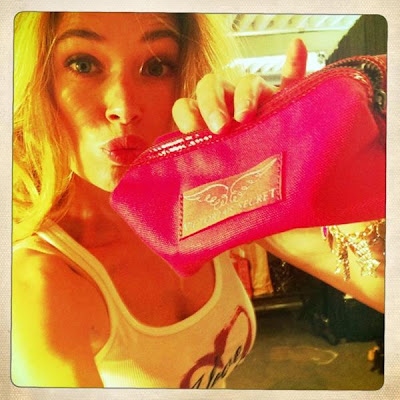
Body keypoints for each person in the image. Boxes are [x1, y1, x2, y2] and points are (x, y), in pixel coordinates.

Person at [12, 12, 385, 388]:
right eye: (82, 64)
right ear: (35, 82)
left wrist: (307, 180)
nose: (123, 107)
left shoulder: (194, 206)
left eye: (156, 66)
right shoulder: (38, 283)